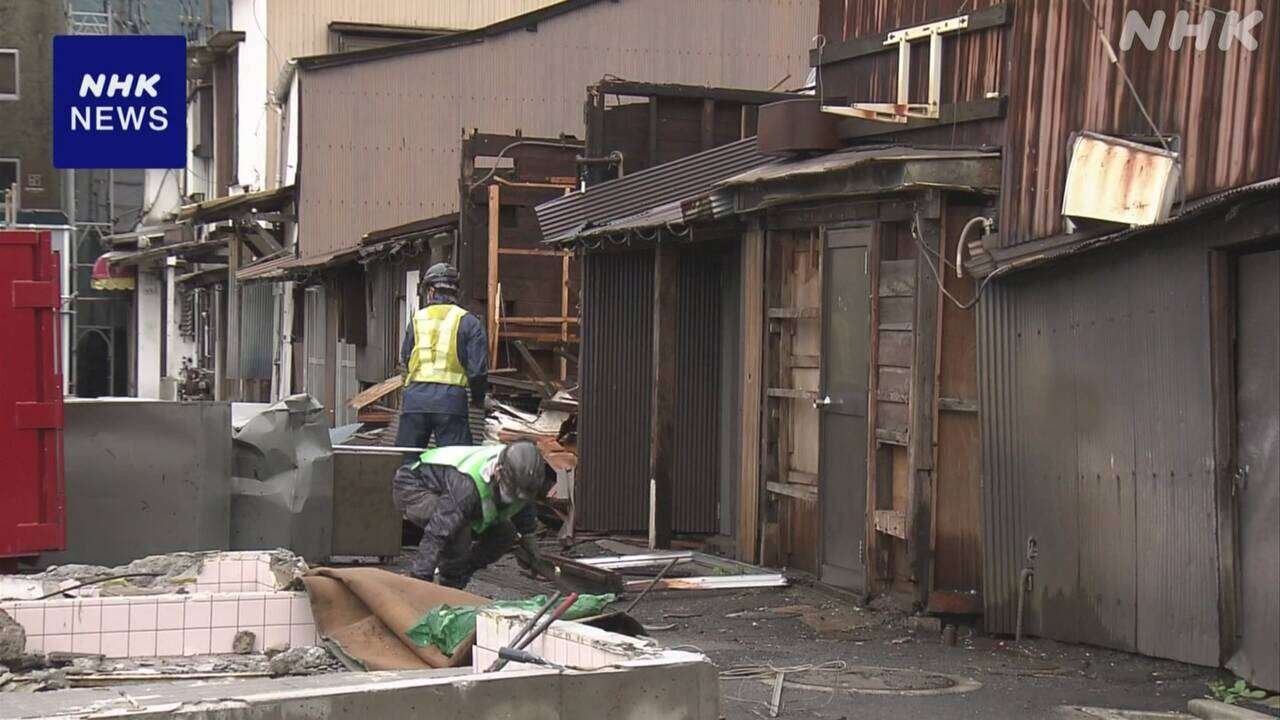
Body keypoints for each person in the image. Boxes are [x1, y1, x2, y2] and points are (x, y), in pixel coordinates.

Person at [392, 440, 546, 588]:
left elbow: (524, 509)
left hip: (462, 496)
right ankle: (448, 585)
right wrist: (420, 578)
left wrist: (529, 541)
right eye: (511, 490)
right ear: (497, 471)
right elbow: (439, 531)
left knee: (505, 533)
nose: (513, 497)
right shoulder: (466, 485)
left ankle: (459, 576)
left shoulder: (523, 480)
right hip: (416, 487)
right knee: (458, 531)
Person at [397, 263, 488, 461]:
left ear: (430, 291)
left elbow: (405, 357)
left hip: (415, 401)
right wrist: (478, 399)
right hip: (451, 403)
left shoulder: (417, 319)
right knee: (455, 464)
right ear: (456, 291)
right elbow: (477, 371)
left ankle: (407, 491)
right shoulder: (469, 322)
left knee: (407, 462)